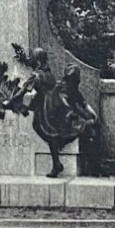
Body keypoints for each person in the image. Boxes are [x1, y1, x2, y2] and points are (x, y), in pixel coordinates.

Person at [15, 49, 99, 178]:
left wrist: (90, 116)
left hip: (50, 113)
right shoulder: (54, 80)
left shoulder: (42, 77)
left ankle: (61, 164)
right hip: (54, 112)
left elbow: (79, 103)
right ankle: (59, 164)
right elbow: (72, 103)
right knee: (53, 133)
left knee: (51, 133)